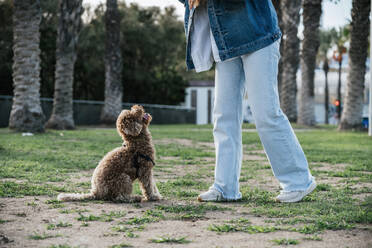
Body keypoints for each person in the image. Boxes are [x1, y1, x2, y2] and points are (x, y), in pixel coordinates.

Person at [179, 0, 316, 203]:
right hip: (224, 41)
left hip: (256, 34)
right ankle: (225, 187)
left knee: (266, 112)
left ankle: (299, 181)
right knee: (223, 115)